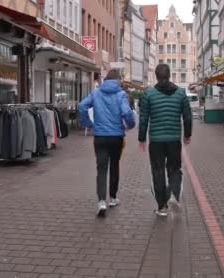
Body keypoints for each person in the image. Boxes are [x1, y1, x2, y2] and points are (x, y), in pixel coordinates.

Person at [79, 69, 135, 217]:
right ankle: (113, 198)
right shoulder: (121, 94)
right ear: (118, 80)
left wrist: (89, 124)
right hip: (116, 136)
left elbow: (81, 106)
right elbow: (127, 113)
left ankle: (101, 201)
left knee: (101, 168)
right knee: (114, 166)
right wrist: (130, 125)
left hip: (100, 136)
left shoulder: (96, 93)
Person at [138, 64, 192, 216]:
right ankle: (174, 194)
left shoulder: (149, 94)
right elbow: (187, 117)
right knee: (174, 168)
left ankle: (162, 207)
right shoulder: (181, 93)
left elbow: (144, 119)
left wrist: (141, 139)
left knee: (157, 171)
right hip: (174, 140)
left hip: (156, 141)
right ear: (170, 75)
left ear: (156, 76)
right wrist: (187, 135)